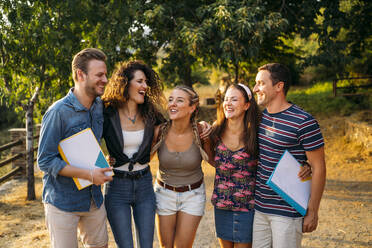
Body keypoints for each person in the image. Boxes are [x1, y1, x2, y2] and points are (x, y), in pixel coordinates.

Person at [37, 48, 113, 248]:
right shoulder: (57, 112)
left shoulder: (99, 106)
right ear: (81, 74)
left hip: (93, 199)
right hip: (62, 202)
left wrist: (101, 160)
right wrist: (89, 173)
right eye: (99, 75)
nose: (105, 79)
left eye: (105, 74)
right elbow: (45, 161)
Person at [252, 63, 326, 248]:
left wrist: (313, 211)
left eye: (261, 83)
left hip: (287, 211)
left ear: (279, 86)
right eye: (255, 83)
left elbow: (319, 168)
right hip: (260, 208)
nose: (255, 89)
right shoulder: (260, 119)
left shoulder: (304, 121)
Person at [101, 60, 165, 248]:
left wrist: (201, 125)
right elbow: (89, 137)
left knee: (146, 245)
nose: (144, 86)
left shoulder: (151, 113)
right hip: (116, 187)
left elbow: (175, 126)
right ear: (125, 83)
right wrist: (101, 160)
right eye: (139, 81)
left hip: (145, 185)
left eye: (146, 82)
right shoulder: (107, 112)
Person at [151, 85, 210, 248]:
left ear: (192, 107)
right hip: (164, 193)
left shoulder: (200, 132)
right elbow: (141, 160)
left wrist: (211, 130)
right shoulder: (159, 132)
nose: (173, 104)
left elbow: (214, 161)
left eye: (179, 100)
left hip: (193, 195)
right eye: (171, 100)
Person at [207, 83, 260, 248]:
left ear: (246, 105)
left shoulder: (256, 133)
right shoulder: (215, 131)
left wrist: (305, 165)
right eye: (226, 99)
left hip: (248, 207)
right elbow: (211, 159)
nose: (228, 103)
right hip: (222, 204)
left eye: (234, 99)